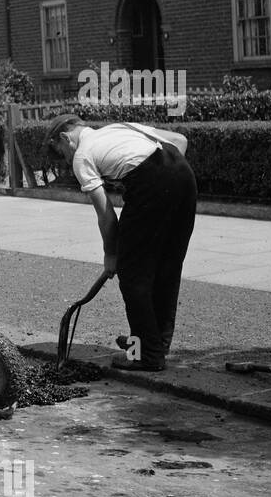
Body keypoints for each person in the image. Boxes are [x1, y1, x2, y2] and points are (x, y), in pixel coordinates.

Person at [44, 114, 196, 371]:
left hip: (151, 186)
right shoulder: (118, 129)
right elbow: (179, 141)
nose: (66, 160)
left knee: (132, 274)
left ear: (65, 137)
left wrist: (111, 255)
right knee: (167, 267)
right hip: (184, 177)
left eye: (62, 153)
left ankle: (146, 354)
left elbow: (106, 216)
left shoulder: (82, 156)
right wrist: (168, 175)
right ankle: (153, 343)